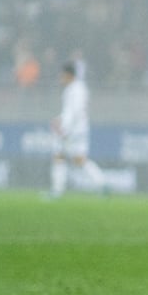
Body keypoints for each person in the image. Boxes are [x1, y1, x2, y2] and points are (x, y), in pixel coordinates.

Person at [47, 60, 106, 198]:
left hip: (73, 131)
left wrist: (64, 128)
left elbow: (74, 112)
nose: (60, 78)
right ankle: (102, 184)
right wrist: (59, 119)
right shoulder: (78, 88)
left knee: (59, 156)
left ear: (68, 75)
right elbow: (71, 112)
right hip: (78, 129)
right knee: (79, 160)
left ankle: (57, 191)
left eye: (62, 75)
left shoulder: (75, 90)